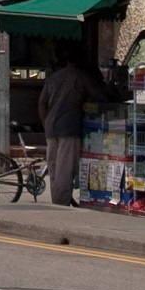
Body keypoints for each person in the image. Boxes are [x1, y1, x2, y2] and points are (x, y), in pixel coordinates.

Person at [38, 45, 102, 206]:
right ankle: (62, 203)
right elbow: (100, 96)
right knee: (65, 169)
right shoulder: (80, 77)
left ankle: (57, 199)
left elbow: (41, 103)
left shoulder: (54, 77)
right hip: (69, 127)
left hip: (51, 127)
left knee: (53, 166)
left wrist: (46, 124)